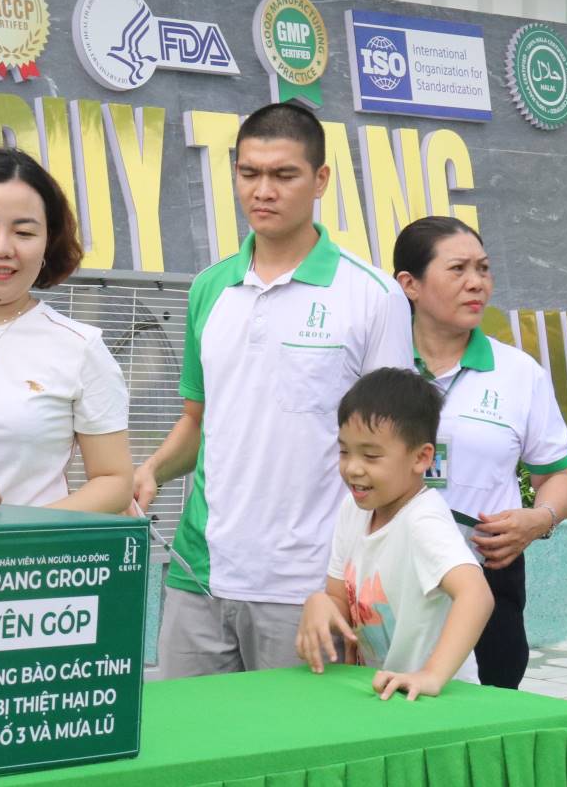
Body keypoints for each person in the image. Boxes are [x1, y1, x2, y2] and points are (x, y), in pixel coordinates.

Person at [133, 102, 413, 677]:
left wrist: (349, 583)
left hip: (310, 587)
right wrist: (151, 472)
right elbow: (198, 419)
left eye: (284, 175)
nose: (263, 190)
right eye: (248, 173)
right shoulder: (210, 288)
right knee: (191, 758)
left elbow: (394, 454)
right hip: (200, 571)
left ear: (320, 181)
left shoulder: (372, 295)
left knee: (295, 762)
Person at [393, 216, 567, 690]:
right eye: (457, 269)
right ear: (409, 284)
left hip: (488, 575)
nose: (476, 283)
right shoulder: (377, 361)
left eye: (484, 268)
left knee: (488, 714)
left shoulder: (519, 373)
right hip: (389, 575)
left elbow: (558, 476)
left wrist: (540, 519)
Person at [0, 148, 132, 512]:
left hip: (29, 563)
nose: (1, 248)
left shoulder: (80, 347)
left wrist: (20, 534)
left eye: (24, 232)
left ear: (48, 240)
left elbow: (115, 481)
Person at [297, 368, 493, 700]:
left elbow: (476, 595)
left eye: (371, 455)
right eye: (345, 451)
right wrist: (319, 604)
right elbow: (339, 601)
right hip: (385, 695)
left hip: (434, 701)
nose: (353, 467)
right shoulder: (353, 511)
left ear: (421, 458)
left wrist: (431, 675)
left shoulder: (422, 520)